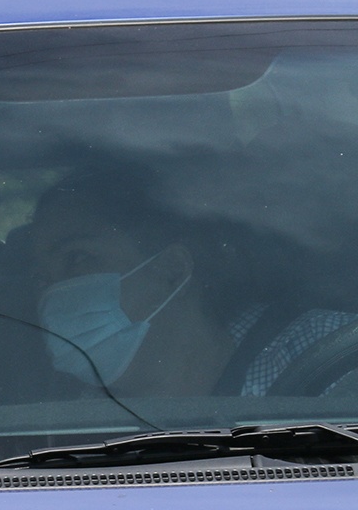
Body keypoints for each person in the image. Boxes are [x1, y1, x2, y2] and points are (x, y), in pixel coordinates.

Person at [28, 170, 358, 396]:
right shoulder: (57, 421)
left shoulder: (330, 353)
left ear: (171, 270)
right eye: (42, 277)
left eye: (78, 258)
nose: (53, 293)